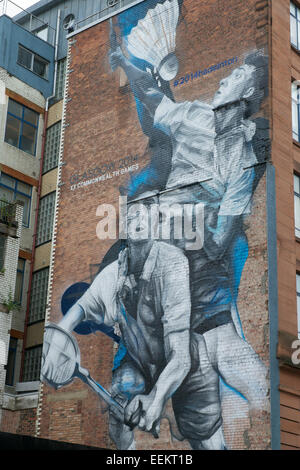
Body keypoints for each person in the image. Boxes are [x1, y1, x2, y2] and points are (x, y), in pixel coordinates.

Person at [108, 44, 270, 435]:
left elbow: (218, 242)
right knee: (132, 359)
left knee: (226, 350)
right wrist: (128, 64)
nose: (223, 80)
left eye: (234, 77)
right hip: (159, 245)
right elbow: (153, 99)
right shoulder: (192, 114)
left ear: (247, 95)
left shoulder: (243, 161)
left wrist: (186, 217)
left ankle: (267, 407)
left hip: (198, 259)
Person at [41, 204, 225, 450]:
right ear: (125, 229)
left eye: (145, 214)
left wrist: (156, 398)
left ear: (155, 226)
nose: (137, 218)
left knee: (207, 441)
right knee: (119, 404)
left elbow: (180, 357)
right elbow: (77, 312)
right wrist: (54, 349)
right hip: (140, 361)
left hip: (188, 363)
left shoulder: (172, 263)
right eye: (131, 216)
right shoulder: (114, 274)